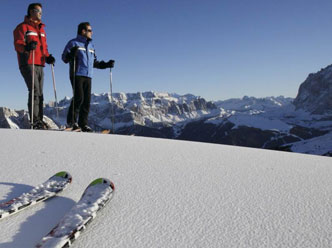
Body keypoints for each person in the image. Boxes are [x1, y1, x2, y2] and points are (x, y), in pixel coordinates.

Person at [62, 22, 114, 132]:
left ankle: (83, 124)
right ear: (83, 31)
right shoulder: (73, 43)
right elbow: (64, 58)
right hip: (77, 74)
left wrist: (106, 64)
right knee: (78, 97)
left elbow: (94, 63)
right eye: (89, 30)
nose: (92, 32)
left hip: (88, 75)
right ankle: (71, 122)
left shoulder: (91, 46)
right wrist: (71, 54)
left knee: (86, 100)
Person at [13, 3, 55, 129]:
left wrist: (47, 57)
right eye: (38, 11)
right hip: (28, 62)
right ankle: (35, 121)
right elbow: (18, 44)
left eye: (41, 11)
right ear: (31, 11)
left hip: (40, 63)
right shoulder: (22, 27)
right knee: (34, 91)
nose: (41, 14)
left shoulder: (42, 29)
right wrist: (26, 47)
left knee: (40, 93)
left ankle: (39, 120)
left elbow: (44, 47)